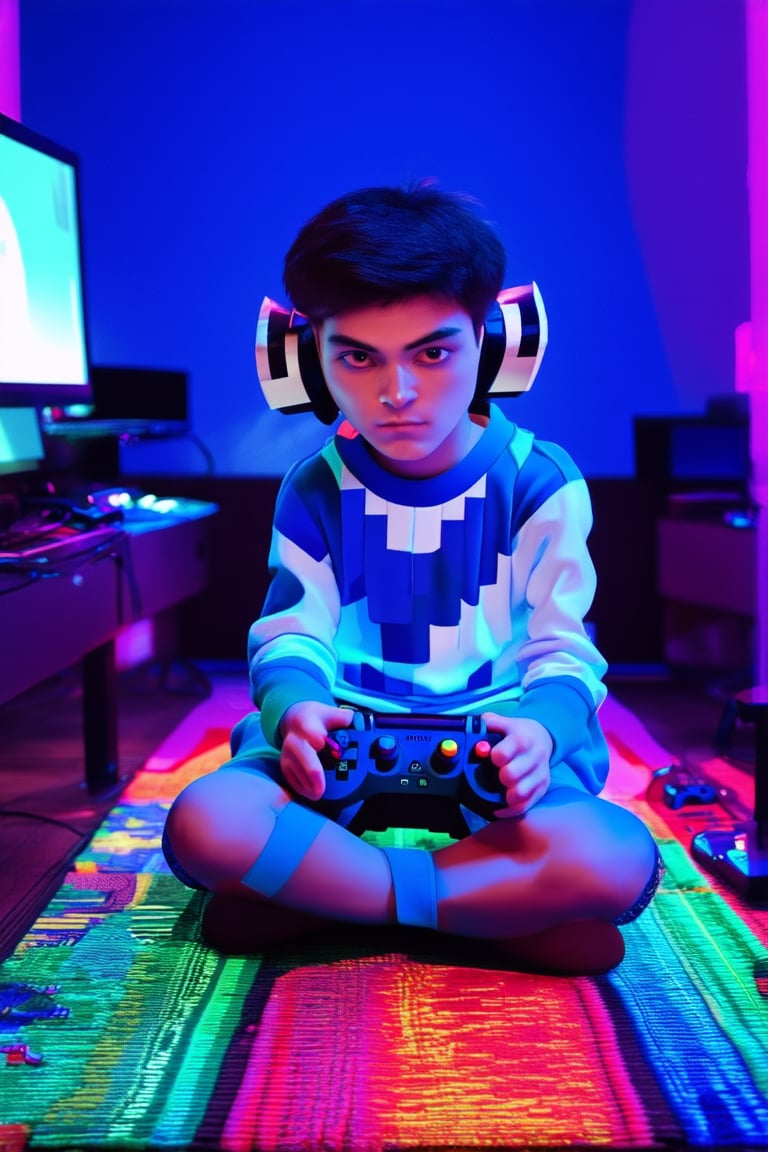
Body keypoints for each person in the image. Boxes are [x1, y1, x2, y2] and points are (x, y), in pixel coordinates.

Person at [162, 182, 662, 974]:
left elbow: (564, 653)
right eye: (358, 356)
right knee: (205, 822)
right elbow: (293, 633)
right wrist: (297, 714)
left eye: (433, 352)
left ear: (495, 345)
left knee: (615, 856)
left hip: (497, 758)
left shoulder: (544, 483)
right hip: (337, 757)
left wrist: (542, 734)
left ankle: (323, 902)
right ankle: (481, 913)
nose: (397, 393)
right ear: (305, 358)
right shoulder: (313, 487)